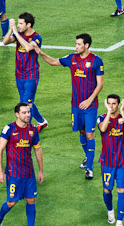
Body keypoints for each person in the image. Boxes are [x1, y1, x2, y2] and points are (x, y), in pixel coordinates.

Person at [32, 33, 103, 179]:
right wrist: (41, 53)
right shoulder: (72, 58)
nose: (76, 46)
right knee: (82, 132)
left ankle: (89, 168)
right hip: (76, 105)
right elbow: (53, 62)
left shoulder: (96, 61)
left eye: (79, 44)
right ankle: (87, 157)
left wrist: (89, 100)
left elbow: (100, 84)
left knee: (90, 134)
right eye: (76, 44)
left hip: (90, 106)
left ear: (87, 45)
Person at [0, 103, 44, 226]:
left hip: (29, 173)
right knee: (11, 202)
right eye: (24, 113)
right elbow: (0, 150)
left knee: (31, 200)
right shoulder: (9, 129)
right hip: (14, 173)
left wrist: (41, 170)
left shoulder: (33, 129)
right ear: (17, 114)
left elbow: (37, 149)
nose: (28, 115)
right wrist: (0, 171)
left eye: (28, 112)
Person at [1, 12, 48, 131]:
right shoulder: (19, 34)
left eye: (21, 23)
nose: (19, 25)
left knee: (26, 104)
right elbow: (5, 42)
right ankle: (42, 121)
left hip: (31, 75)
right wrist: (10, 30)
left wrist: (16, 33)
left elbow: (28, 47)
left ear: (29, 24)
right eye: (18, 23)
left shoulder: (37, 37)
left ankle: (27, 130)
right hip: (19, 74)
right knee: (26, 101)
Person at [98, 94, 124, 226]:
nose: (111, 106)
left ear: (118, 104)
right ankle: (110, 210)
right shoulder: (101, 117)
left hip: (122, 162)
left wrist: (122, 112)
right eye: (109, 103)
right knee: (107, 190)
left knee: (122, 190)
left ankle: (119, 221)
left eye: (114, 104)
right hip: (107, 162)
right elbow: (103, 128)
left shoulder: (123, 117)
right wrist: (108, 112)